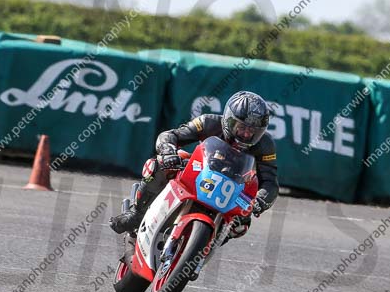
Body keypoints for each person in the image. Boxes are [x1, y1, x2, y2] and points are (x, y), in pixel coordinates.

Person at [109, 91, 279, 239]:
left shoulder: (265, 145)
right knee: (158, 164)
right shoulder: (208, 122)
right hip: (200, 171)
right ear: (228, 120)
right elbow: (171, 135)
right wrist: (168, 152)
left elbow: (270, 181)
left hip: (233, 189)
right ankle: (136, 213)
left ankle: (205, 245)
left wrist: (261, 199)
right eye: (241, 127)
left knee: (241, 225)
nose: (246, 134)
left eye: (253, 131)